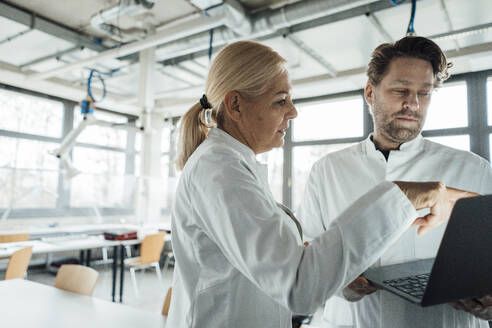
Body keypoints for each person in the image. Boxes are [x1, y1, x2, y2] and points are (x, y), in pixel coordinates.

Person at [167, 40, 467, 328]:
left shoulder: (231, 166)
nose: (293, 111)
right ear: (235, 105)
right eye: (280, 100)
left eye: (424, 93)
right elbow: (299, 285)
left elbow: (284, 263)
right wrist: (402, 195)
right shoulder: (220, 171)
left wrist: (328, 266)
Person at [297, 36, 492, 328]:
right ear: (370, 93)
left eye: (424, 93)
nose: (412, 104)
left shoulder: (473, 169)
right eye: (401, 90)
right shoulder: (327, 171)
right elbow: (304, 258)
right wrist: (340, 283)